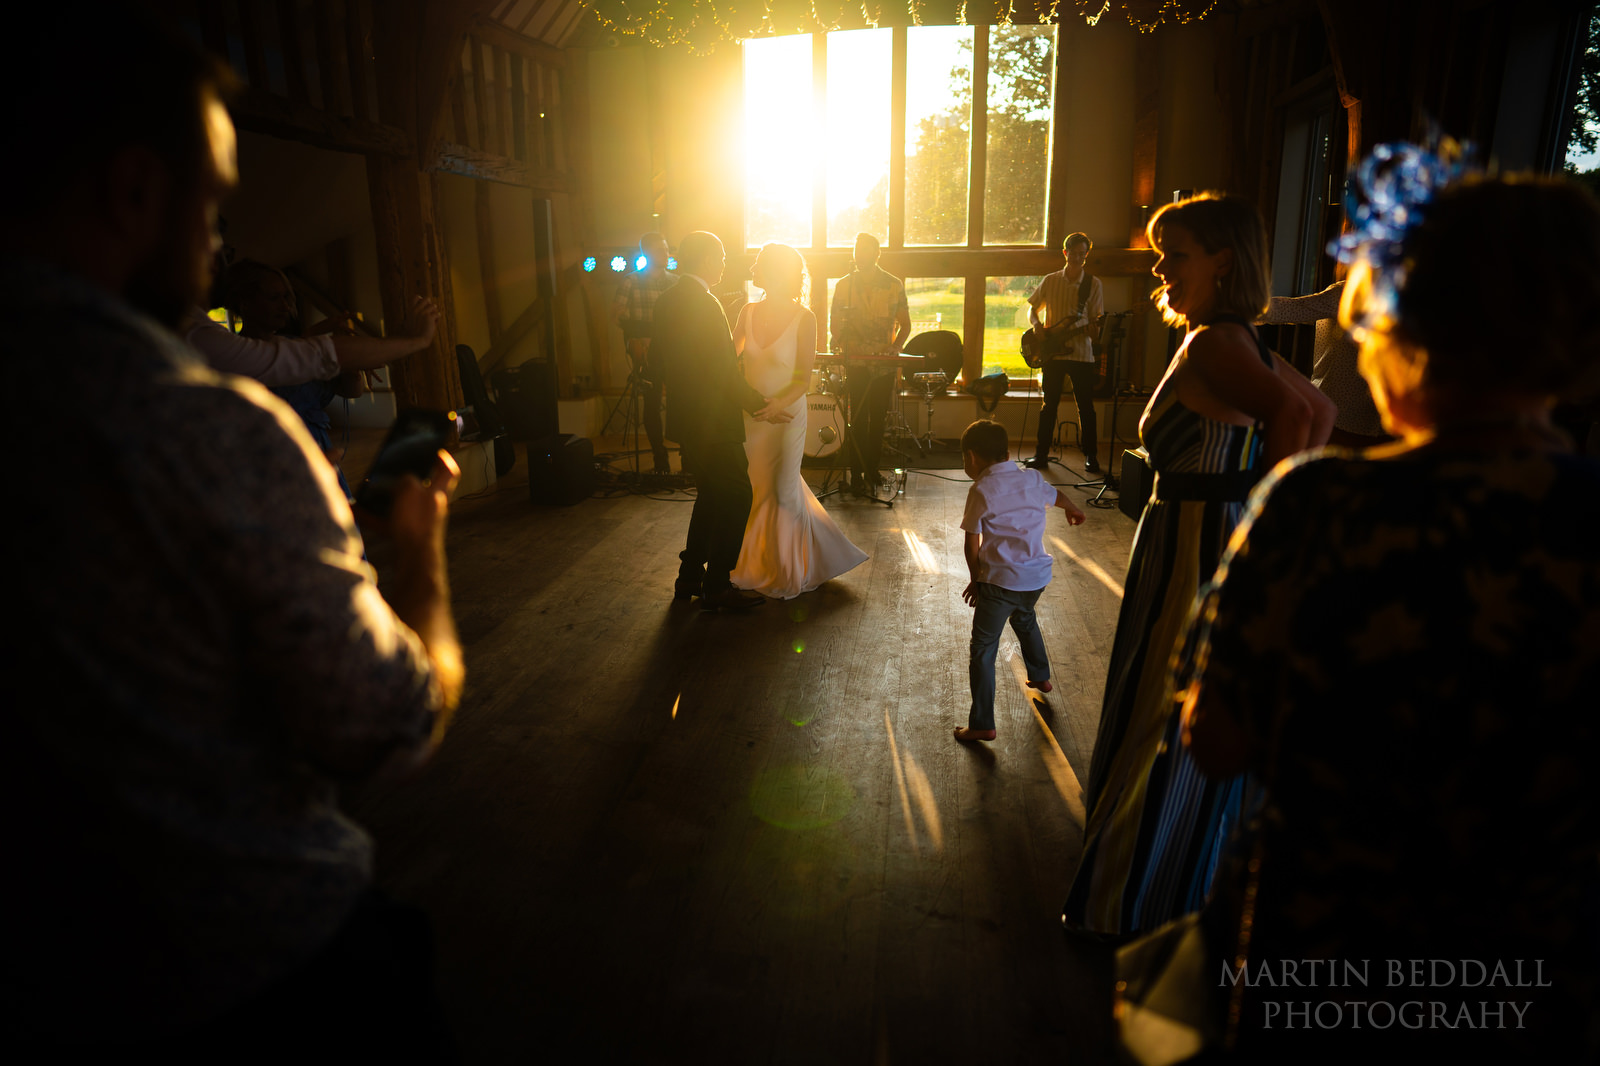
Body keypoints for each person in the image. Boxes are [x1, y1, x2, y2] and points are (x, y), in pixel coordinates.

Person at [3, 5, 463, 1056]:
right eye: (210, 209)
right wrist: (417, 553)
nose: (215, 250)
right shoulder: (206, 430)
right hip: (250, 972)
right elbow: (382, 725)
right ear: (133, 190)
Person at [1177, 162, 1600, 1060]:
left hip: (1328, 947)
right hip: (1542, 969)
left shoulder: (1316, 508)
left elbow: (1214, 740)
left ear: (1396, 325)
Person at [1062, 193, 1333, 937]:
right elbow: (1320, 413)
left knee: (1164, 703)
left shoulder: (1218, 342)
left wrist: (1266, 528)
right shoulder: (1240, 339)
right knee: (1169, 697)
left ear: (1223, 261)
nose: (1160, 268)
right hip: (1199, 530)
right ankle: (1176, 878)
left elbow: (1297, 418)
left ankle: (1128, 898)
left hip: (1196, 539)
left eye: (1174, 254)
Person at [655, 231, 791, 612]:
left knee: (711, 495)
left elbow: (659, 362)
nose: (724, 265)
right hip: (712, 422)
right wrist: (759, 404)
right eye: (721, 258)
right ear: (707, 260)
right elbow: (723, 371)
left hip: (686, 419)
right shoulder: (705, 303)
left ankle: (689, 578)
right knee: (736, 495)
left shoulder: (666, 301)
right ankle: (717, 584)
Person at [729, 244, 868, 598]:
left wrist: (778, 405)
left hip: (787, 416)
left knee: (782, 491)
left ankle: (789, 571)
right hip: (753, 417)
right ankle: (761, 562)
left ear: (779, 271)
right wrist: (751, 402)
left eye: (761, 264)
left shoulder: (805, 318)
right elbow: (729, 361)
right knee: (757, 489)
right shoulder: (747, 311)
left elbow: (803, 377)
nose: (755, 269)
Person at [955, 420, 1087, 743]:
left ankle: (982, 722)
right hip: (1036, 579)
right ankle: (1041, 676)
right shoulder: (1032, 478)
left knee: (983, 649)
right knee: (1025, 619)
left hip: (999, 584)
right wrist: (1073, 510)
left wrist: (977, 581)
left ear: (971, 457)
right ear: (1008, 452)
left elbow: (971, 543)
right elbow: (1056, 496)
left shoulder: (981, 490)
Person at [223, 259, 367, 496]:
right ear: (245, 302)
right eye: (273, 298)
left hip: (320, 459)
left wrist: (350, 361)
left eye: (286, 298)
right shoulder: (232, 354)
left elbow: (352, 390)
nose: (284, 306)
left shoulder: (299, 347)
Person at [1260, 279, 1389, 447]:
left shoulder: (1348, 292)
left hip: (1339, 416)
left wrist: (1236, 308)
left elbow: (1289, 310)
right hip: (1378, 421)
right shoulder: (1396, 296)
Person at [830, 232, 912, 492]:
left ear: (876, 254)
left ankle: (873, 470)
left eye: (865, 251)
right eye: (856, 250)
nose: (859, 256)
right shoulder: (844, 285)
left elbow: (906, 325)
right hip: (855, 364)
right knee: (857, 418)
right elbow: (835, 326)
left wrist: (895, 348)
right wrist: (842, 343)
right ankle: (856, 474)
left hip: (882, 365)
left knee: (878, 419)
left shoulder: (893, 284)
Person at [1026, 232, 1106, 472]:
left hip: (1082, 354)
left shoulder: (1094, 284)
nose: (1078, 258)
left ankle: (1091, 456)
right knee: (1048, 405)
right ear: (1065, 253)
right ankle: (1041, 455)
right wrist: (1037, 325)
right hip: (1053, 353)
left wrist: (1094, 332)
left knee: (1086, 407)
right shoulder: (1050, 280)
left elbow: (1096, 322)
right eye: (1074, 253)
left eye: (1083, 254)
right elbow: (1032, 309)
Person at [612, 231, 678, 472]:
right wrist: (638, 338)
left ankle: (689, 456)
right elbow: (619, 316)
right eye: (661, 250)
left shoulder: (676, 282)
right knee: (651, 404)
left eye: (667, 248)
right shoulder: (631, 281)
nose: (666, 253)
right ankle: (660, 457)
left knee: (681, 401)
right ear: (647, 253)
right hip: (648, 352)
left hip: (674, 352)